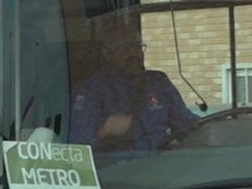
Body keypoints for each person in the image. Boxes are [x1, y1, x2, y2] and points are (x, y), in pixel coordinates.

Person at [70, 21, 197, 152]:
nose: (133, 54)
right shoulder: (90, 90)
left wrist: (212, 128)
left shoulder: (158, 82)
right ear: (107, 54)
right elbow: (76, 149)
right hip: (116, 169)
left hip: (161, 164)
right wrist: (105, 131)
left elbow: (187, 126)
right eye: (125, 48)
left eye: (137, 47)